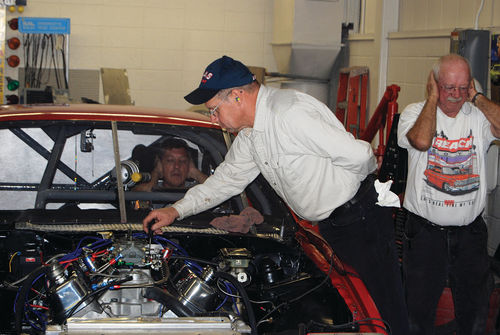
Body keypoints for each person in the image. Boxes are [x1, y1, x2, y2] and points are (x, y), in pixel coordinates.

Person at [143, 55, 409, 334]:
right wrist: (175, 211)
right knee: (356, 314)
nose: (214, 119)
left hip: (359, 219)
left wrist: (357, 193)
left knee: (382, 310)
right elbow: (226, 180)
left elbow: (360, 154)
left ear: (236, 96)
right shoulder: (250, 135)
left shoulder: (289, 114)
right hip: (334, 224)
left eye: (214, 110)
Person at [397, 53, 500, 334]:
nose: (456, 95)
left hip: (470, 235)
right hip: (425, 235)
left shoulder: (478, 115)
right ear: (434, 85)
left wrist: (477, 98)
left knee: (475, 312)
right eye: (448, 88)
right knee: (418, 312)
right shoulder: (413, 112)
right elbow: (420, 141)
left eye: (462, 88)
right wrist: (432, 100)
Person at [132, 138, 208, 192]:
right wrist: (156, 173)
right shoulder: (150, 188)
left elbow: (216, 190)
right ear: (160, 166)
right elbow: (140, 191)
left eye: (182, 161)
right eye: (170, 160)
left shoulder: (197, 191)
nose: (177, 166)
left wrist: (195, 172)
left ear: (189, 165)